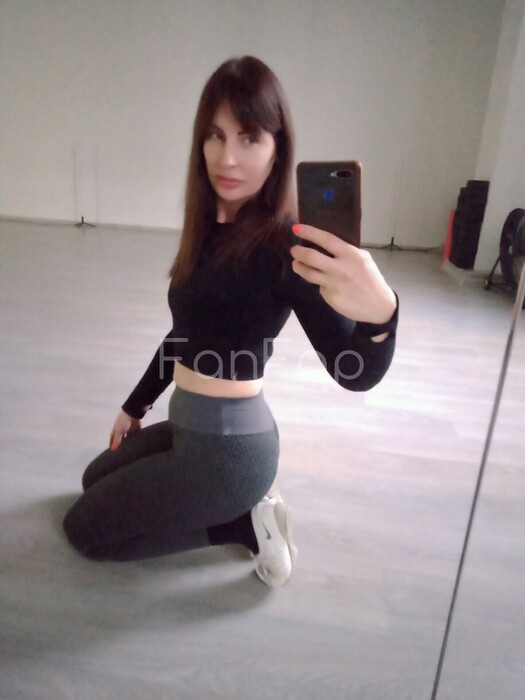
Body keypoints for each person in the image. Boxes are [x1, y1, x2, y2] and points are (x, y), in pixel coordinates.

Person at [62, 55, 399, 587]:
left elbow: (353, 371)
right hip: (189, 427)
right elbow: (184, 334)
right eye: (215, 136)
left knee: (83, 531)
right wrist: (135, 404)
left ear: (276, 148)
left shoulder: (286, 245)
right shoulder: (210, 227)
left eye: (249, 138)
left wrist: (383, 314)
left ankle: (243, 524)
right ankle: (234, 503)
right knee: (93, 478)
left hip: (230, 452)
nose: (228, 157)